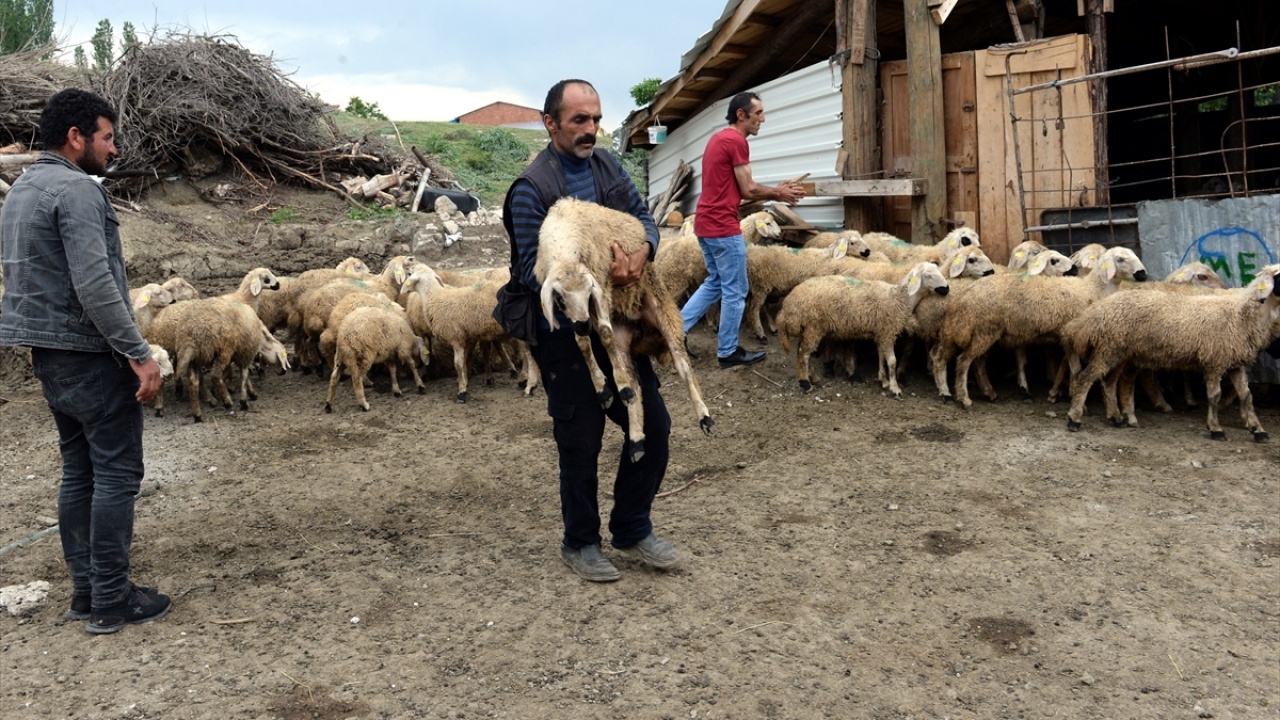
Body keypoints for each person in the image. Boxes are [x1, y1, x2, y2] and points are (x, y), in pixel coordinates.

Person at [0, 89, 170, 633]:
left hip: (47, 354)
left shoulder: (22, 189)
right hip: (91, 354)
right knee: (117, 472)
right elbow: (96, 284)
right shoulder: (76, 191)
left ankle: (86, 592)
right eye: (107, 137)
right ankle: (112, 599)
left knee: (80, 470)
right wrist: (138, 353)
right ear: (76, 138)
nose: (113, 149)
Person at [501, 79, 676, 582]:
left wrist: (643, 253)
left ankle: (632, 528)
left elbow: (644, 219)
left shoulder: (605, 167)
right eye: (579, 120)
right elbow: (530, 272)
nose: (591, 130)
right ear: (550, 122)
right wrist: (599, 277)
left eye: (596, 119)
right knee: (581, 436)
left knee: (655, 425)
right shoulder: (532, 189)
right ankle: (580, 541)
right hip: (563, 329)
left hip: (615, 321)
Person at [680, 91, 805, 368]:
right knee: (736, 290)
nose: (763, 118)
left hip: (705, 224)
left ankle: (673, 333)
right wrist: (778, 193)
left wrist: (776, 191)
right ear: (741, 115)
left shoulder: (718, 139)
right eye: (758, 113)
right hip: (723, 227)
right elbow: (748, 189)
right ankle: (727, 352)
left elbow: (740, 190)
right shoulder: (736, 141)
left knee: (715, 282)